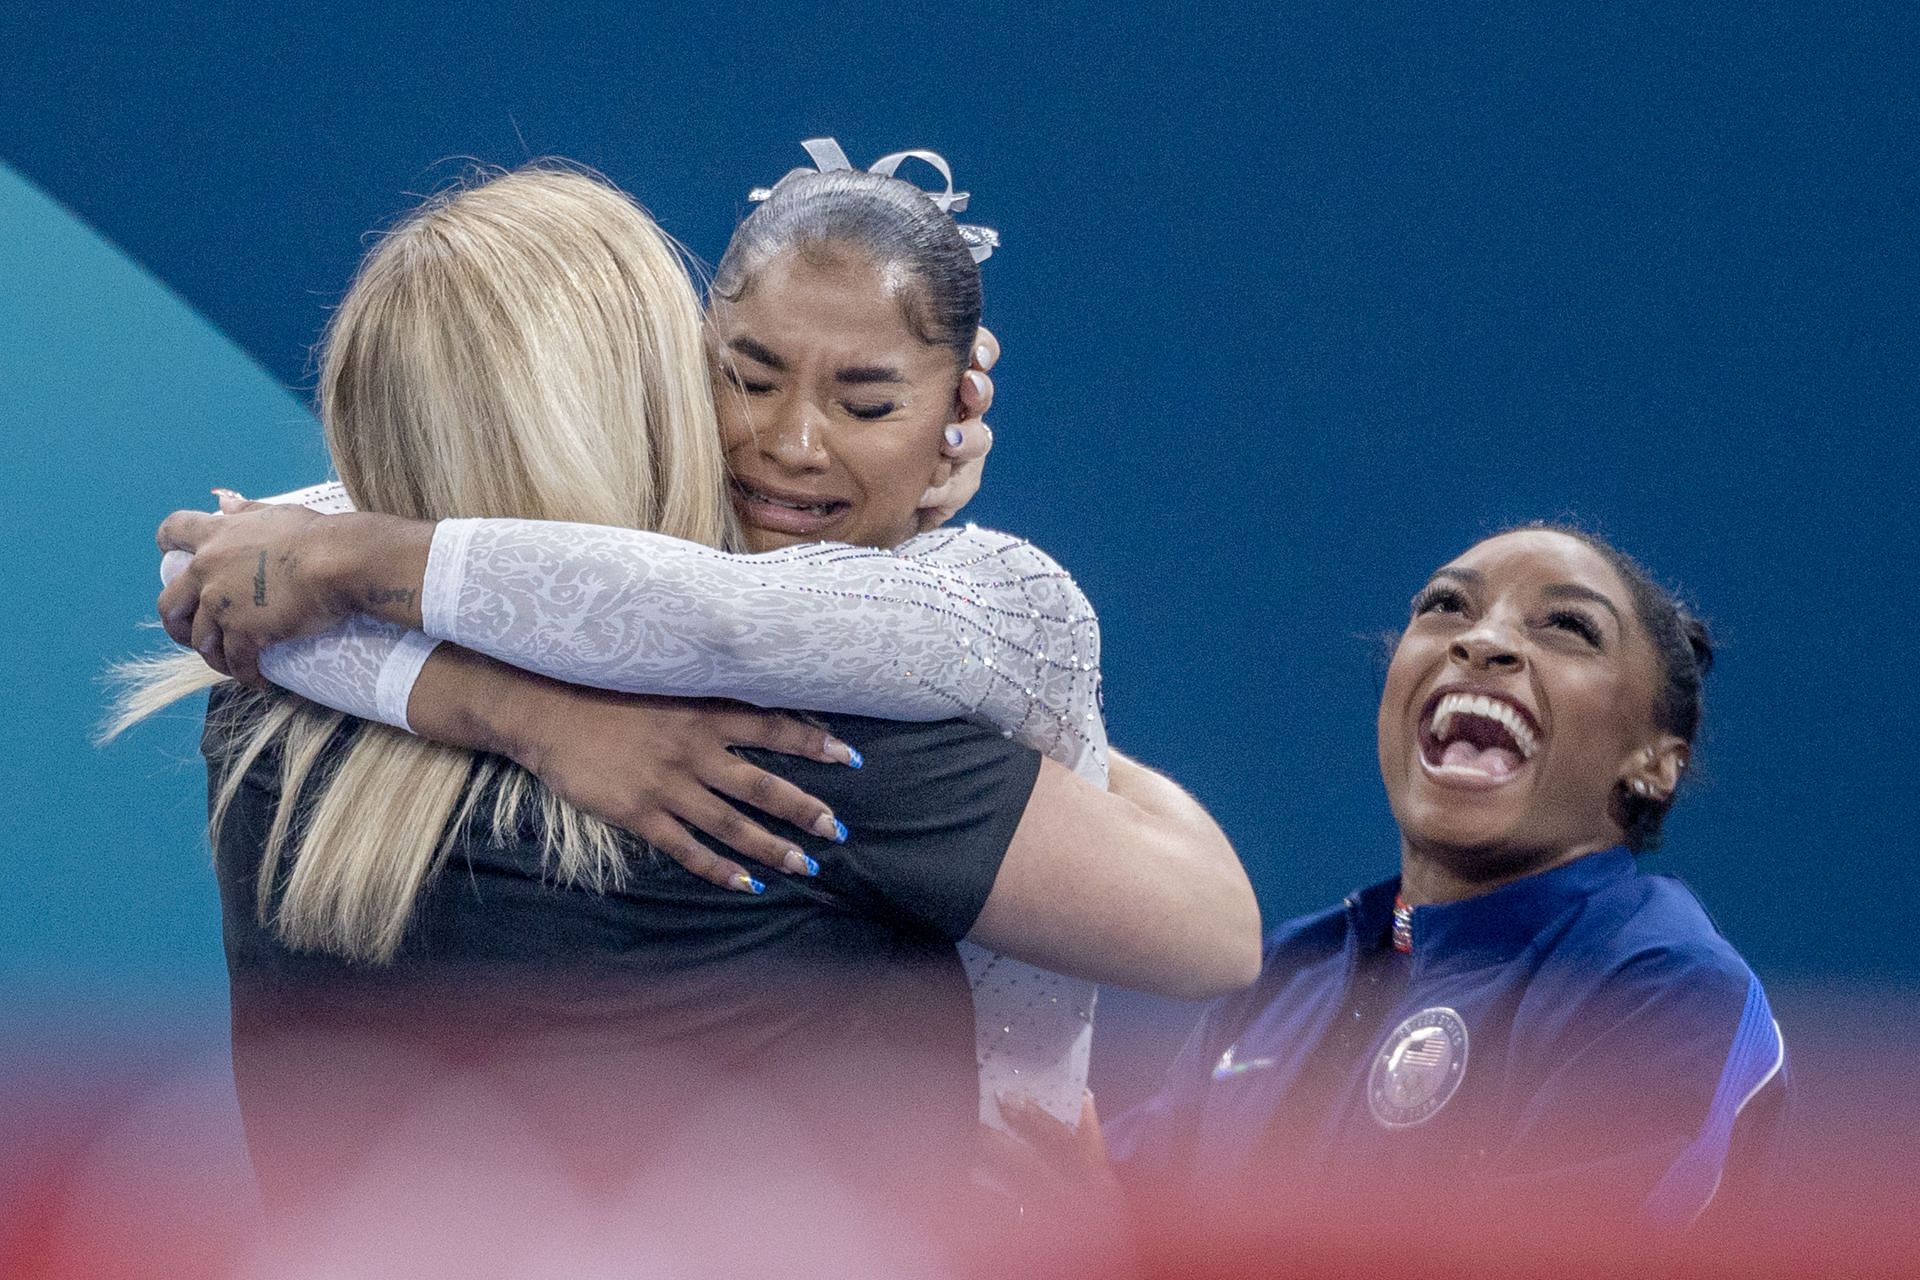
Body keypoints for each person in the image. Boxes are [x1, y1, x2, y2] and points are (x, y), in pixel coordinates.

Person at [118, 163, 1259, 1212]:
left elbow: (233, 559)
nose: (784, 441)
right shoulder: (781, 753)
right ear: (639, 403)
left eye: (862, 404)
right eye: (733, 373)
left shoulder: (263, 698)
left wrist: (512, 698)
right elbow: (1207, 924)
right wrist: (904, 629)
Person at [1102, 525, 1787, 1250]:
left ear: (1655, 762)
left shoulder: (1664, 990)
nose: (1483, 641)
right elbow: (1100, 1213)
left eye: (1568, 626)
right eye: (1446, 607)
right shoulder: (1289, 972)